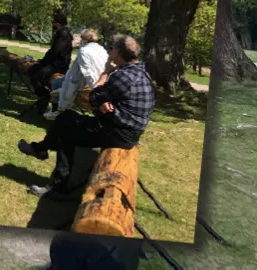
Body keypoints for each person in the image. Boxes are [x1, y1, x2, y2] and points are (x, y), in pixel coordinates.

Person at [18, 33, 155, 198]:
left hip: (118, 133)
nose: (109, 50)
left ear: (118, 53)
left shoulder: (122, 76)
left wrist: (104, 75)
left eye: (112, 48)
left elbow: (93, 97)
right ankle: (40, 149)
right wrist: (103, 105)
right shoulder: (141, 72)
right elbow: (103, 102)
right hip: (129, 131)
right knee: (66, 119)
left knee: (64, 128)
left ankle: (56, 185)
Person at [43, 29, 110, 121]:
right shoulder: (101, 49)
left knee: (55, 83)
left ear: (83, 39)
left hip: (83, 82)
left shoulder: (85, 51)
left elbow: (88, 72)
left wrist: (95, 90)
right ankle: (57, 107)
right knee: (58, 83)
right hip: (99, 82)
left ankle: (56, 110)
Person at [27, 11, 73, 114]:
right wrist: (42, 61)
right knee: (31, 70)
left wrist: (44, 62)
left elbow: (56, 52)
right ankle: (42, 97)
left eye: (54, 22)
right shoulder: (59, 33)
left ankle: (45, 97)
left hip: (58, 65)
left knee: (38, 77)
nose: (53, 24)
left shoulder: (64, 35)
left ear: (59, 23)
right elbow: (52, 52)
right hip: (52, 63)